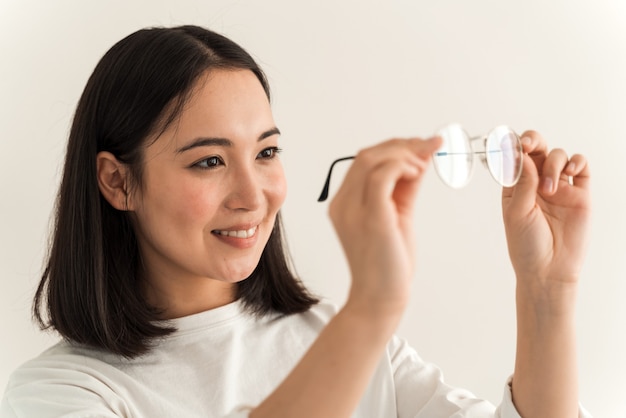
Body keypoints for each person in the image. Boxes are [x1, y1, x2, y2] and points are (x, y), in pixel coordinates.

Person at [0, 25, 592, 418]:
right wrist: (370, 308)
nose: (252, 194)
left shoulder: (342, 339)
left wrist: (547, 289)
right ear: (117, 181)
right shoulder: (64, 394)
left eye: (266, 152)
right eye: (209, 161)